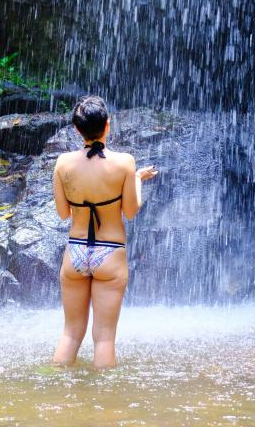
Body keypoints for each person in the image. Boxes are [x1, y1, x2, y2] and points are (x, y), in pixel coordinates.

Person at [51, 95, 157, 369]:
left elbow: (63, 213)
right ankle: (104, 402)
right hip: (109, 253)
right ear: (108, 125)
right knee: (105, 339)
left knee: (70, 333)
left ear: (77, 130)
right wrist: (136, 179)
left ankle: (55, 390)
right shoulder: (124, 163)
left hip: (75, 252)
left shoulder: (62, 163)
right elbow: (131, 211)